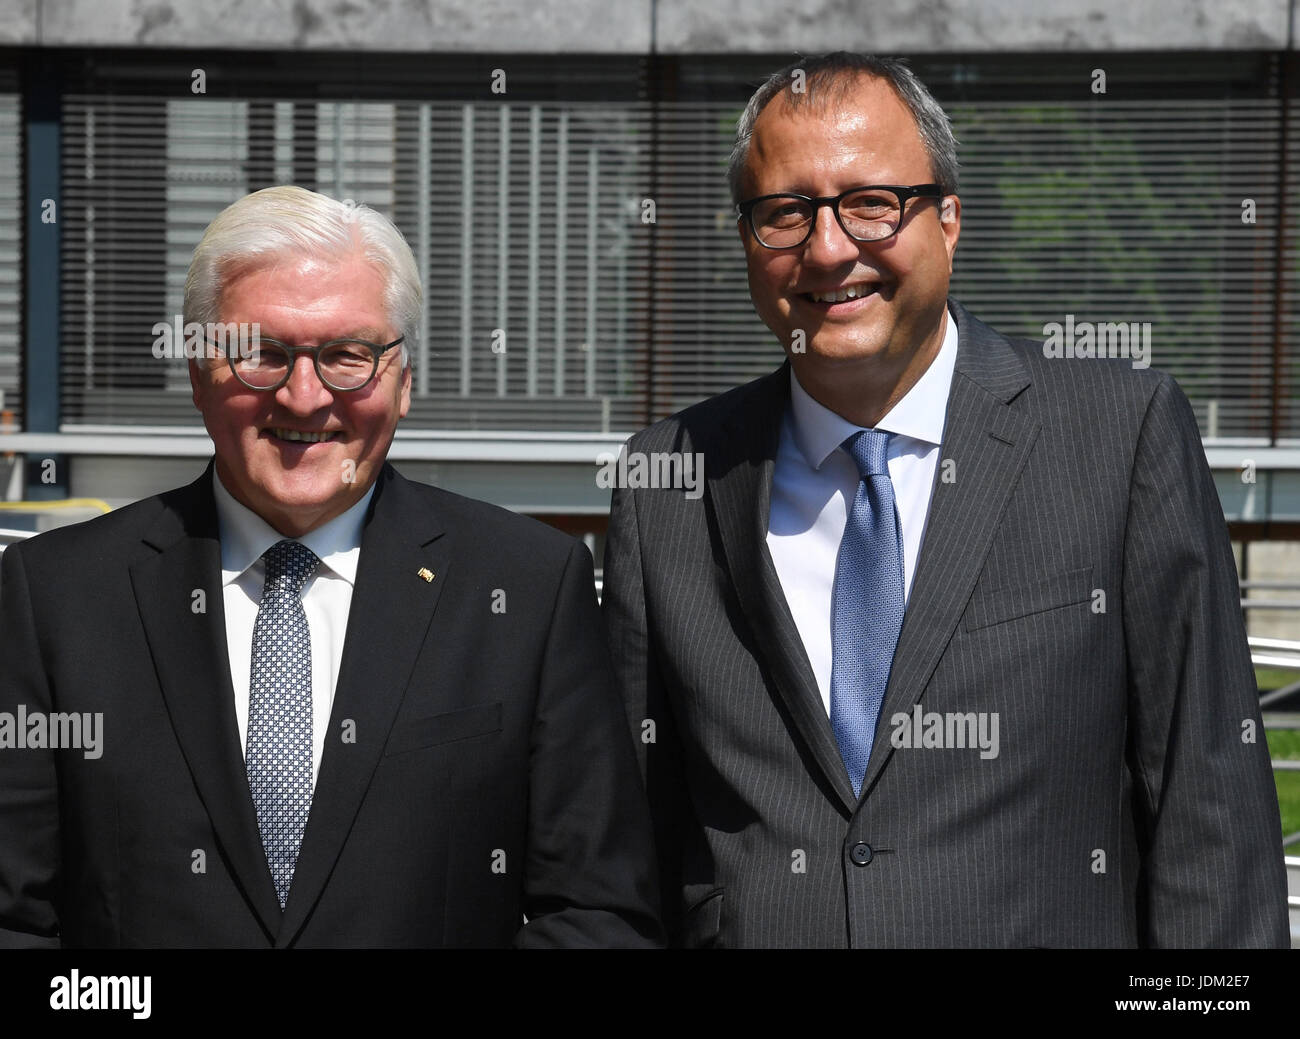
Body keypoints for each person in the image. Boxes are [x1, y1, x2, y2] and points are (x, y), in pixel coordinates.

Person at [601, 53, 1288, 948]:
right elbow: (628, 847)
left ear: (950, 219)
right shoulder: (671, 484)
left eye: (871, 204)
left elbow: (1213, 820)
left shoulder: (1117, 440)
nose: (829, 248)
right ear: (747, 240)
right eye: (786, 213)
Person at [0, 185, 661, 948]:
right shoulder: (56, 598)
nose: (304, 395)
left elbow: (599, 914)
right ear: (197, 373)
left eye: (347, 355)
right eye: (263, 353)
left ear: (404, 381)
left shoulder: (528, 589)